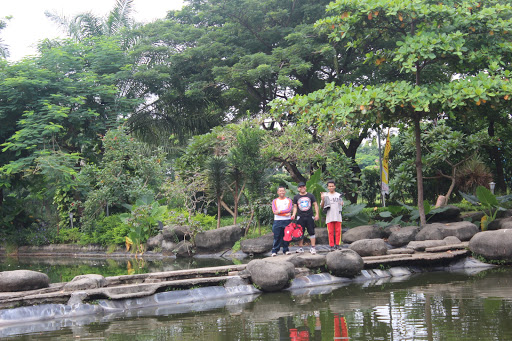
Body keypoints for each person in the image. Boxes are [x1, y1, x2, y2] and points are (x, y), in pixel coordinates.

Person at [291, 182, 319, 254]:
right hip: (300, 217)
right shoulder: (296, 197)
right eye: (300, 187)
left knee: (311, 231)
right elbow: (295, 207)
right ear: (298, 188)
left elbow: (315, 204)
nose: (302, 188)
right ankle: (300, 248)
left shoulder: (310, 195)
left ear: (305, 187)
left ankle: (313, 248)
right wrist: (294, 214)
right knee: (300, 232)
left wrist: (317, 214)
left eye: (303, 186)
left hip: (310, 216)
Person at [320, 180, 344, 251]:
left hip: (338, 216)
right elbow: (322, 206)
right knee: (330, 232)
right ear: (327, 187)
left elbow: (342, 204)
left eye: (332, 186)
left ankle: (338, 245)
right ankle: (331, 245)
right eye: (329, 186)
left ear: (335, 186)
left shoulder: (338, 195)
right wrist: (323, 199)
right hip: (329, 216)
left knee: (338, 231)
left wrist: (342, 203)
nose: (331, 187)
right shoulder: (325, 195)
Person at [271, 186, 293, 256]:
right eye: (280, 191)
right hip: (277, 221)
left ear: (285, 192)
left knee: (286, 236)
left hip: (287, 220)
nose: (282, 192)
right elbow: (274, 211)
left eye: (283, 191)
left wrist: (280, 211)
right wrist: (285, 214)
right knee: (277, 236)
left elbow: (289, 210)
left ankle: (285, 250)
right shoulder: (275, 201)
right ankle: (274, 251)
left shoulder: (289, 200)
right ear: (278, 192)